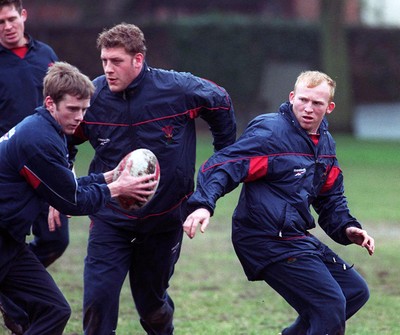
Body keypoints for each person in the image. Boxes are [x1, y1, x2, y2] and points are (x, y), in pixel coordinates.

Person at [68, 23, 236, 335]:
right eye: (104, 61)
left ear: (138, 60)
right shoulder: (94, 98)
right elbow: (65, 135)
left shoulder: (178, 89)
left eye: (116, 61)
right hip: (110, 219)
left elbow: (221, 100)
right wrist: (63, 178)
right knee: (98, 299)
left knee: (151, 305)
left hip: (164, 221)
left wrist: (223, 157)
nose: (108, 69)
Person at [183, 71, 375, 335]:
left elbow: (330, 198)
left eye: (317, 104)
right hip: (263, 237)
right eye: (303, 100)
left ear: (329, 107)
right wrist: (204, 203)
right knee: (329, 303)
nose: (308, 109)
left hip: (292, 236)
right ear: (292, 97)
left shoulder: (325, 145)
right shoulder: (271, 133)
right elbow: (226, 165)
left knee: (353, 292)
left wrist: (347, 228)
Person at [0, 61, 157, 335]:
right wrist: (118, 188)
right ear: (50, 103)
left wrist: (109, 176)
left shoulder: (48, 131)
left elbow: (67, 186)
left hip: (9, 245)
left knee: (54, 309)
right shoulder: (38, 139)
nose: (79, 117)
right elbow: (71, 201)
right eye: (72, 109)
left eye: (84, 110)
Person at [0, 0, 70, 268]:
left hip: (45, 161)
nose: (7, 27)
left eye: (11, 19)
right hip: (9, 170)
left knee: (57, 239)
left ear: (24, 15)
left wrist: (67, 156)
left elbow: (64, 106)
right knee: (9, 241)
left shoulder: (46, 55)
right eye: (0, 22)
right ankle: (18, 303)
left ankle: (16, 288)